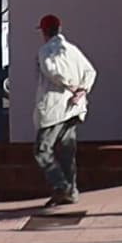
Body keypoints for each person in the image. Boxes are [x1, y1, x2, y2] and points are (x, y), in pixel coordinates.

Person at [33, 13, 97, 204]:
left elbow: (51, 71)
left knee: (42, 150)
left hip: (54, 108)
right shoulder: (72, 49)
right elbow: (90, 71)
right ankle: (71, 191)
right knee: (67, 151)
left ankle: (60, 185)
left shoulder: (45, 51)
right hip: (74, 108)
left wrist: (70, 86)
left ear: (44, 32)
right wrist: (82, 90)